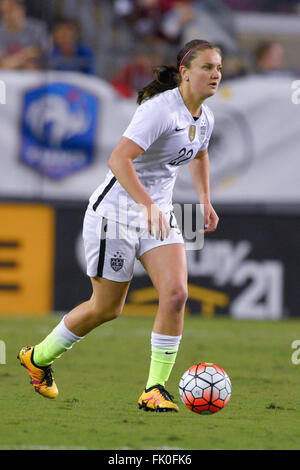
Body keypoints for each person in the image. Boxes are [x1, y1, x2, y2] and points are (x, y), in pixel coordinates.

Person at [18, 39, 222, 412]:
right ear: (185, 72)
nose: (215, 74)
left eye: (219, 68)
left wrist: (205, 200)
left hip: (157, 215)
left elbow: (201, 153)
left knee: (176, 294)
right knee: (106, 309)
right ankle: (39, 357)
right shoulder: (159, 110)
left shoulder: (205, 117)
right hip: (115, 215)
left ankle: (154, 389)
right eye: (207, 67)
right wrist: (146, 205)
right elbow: (118, 159)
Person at [0, 0, 49, 70]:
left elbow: (44, 52)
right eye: (3, 12)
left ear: (21, 10)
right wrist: (24, 56)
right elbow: (2, 62)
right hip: (7, 74)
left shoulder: (37, 28)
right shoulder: (1, 30)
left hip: (35, 73)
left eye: (10, 10)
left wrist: (23, 57)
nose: (6, 15)